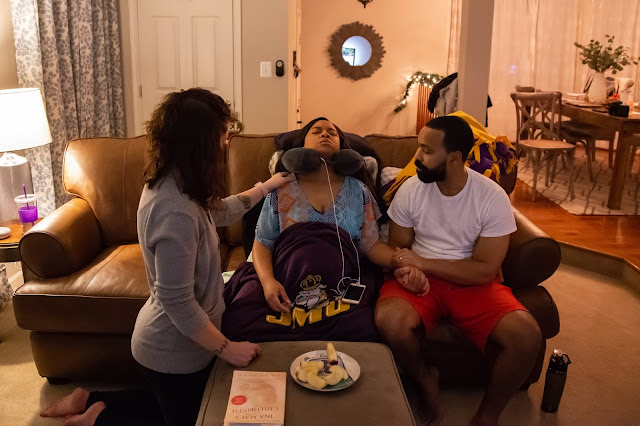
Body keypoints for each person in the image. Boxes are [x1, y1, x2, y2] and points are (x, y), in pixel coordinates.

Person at [39, 88, 293, 426]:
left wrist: (266, 186)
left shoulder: (179, 182)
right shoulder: (173, 210)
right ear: (200, 143)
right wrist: (226, 347)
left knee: (171, 403)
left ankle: (88, 399)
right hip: (171, 349)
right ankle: (96, 420)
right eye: (222, 134)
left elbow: (221, 211)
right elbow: (177, 302)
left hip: (181, 345)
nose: (227, 141)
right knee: (193, 418)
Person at [375, 116, 542, 426]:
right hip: (422, 281)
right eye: (419, 147)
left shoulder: (490, 197)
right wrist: (408, 270)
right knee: (389, 320)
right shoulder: (411, 189)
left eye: (427, 150)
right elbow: (399, 248)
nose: (417, 158)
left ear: (453, 158)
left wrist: (424, 262)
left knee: (527, 335)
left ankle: (487, 416)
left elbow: (485, 270)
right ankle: (425, 377)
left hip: (470, 281)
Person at [221, 117, 425, 342]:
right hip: (285, 278)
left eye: (332, 132)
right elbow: (263, 243)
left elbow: (370, 245)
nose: (325, 134)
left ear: (342, 147)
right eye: (317, 131)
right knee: (240, 320)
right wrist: (268, 282)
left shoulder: (358, 190)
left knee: (361, 329)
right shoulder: (281, 189)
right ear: (302, 145)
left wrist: (398, 260)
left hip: (341, 284)